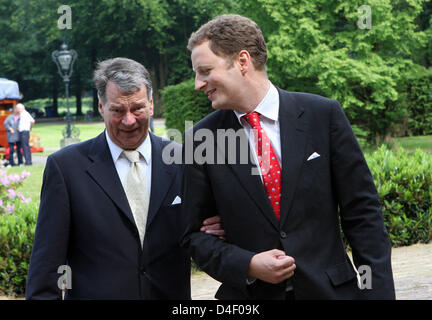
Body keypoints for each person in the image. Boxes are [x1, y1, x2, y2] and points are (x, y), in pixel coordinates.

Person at [181, 14, 395, 300]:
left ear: (242, 61)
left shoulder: (324, 115)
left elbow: (364, 216)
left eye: (205, 70)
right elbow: (193, 236)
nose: (198, 83)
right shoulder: (200, 139)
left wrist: (377, 294)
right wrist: (248, 264)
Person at [26, 57, 223, 300]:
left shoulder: (184, 160)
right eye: (117, 110)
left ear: (151, 105)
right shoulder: (66, 168)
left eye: (137, 108)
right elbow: (46, 267)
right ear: (101, 108)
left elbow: (206, 235)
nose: (128, 120)